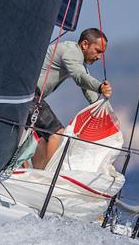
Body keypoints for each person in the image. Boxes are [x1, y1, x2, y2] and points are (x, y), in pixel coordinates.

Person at [30, 28, 113, 169]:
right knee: (57, 134)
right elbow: (80, 78)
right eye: (98, 51)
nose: (99, 57)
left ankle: (38, 177)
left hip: (28, 95)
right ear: (85, 44)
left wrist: (102, 109)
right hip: (29, 94)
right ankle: (49, 178)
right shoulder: (72, 52)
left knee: (42, 140)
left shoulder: (76, 57)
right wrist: (100, 87)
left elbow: (86, 87)